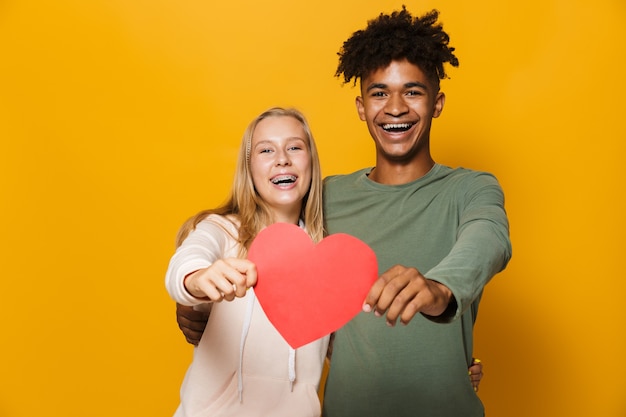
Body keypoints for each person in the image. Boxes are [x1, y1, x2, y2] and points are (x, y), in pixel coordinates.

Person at [177, 6, 509, 415]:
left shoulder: (469, 189)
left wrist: (440, 289)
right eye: (379, 93)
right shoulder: (322, 199)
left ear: (436, 103)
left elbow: (488, 240)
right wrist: (198, 303)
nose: (396, 107)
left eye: (413, 91)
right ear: (361, 107)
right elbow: (259, 244)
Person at [165, 107, 329, 417]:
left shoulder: (325, 257)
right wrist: (198, 279)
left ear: (311, 162)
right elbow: (186, 263)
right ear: (249, 167)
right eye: (266, 150)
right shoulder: (221, 231)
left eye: (294, 147)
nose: (282, 158)